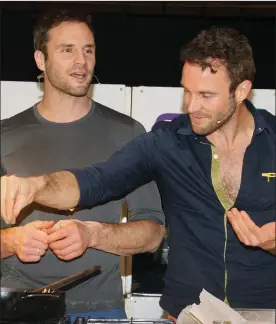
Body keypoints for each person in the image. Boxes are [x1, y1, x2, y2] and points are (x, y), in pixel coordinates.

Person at [1, 27, 276, 319]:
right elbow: (95, 181)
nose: (191, 106)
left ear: (242, 90)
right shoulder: (166, 142)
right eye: (187, 91)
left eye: (206, 95)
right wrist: (36, 185)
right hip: (188, 314)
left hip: (266, 310)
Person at [0, 8, 165, 322]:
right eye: (67, 50)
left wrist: (93, 235)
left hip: (101, 311)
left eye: (88, 50)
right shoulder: (5, 136)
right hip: (18, 308)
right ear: (40, 59)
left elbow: (154, 233)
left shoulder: (128, 133)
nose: (81, 61)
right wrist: (10, 241)